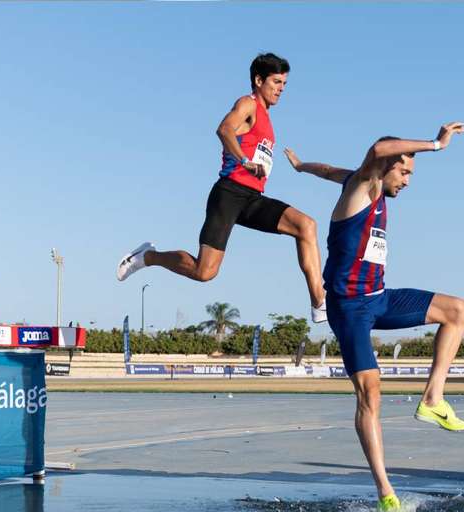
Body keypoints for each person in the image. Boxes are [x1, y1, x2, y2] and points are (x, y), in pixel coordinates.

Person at [285, 122, 464, 512]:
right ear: (384, 167)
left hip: (379, 298)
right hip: (348, 307)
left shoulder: (357, 181)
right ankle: (386, 494)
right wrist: (436, 144)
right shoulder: (363, 187)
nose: (407, 182)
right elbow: (379, 146)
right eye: (403, 172)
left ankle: (433, 400)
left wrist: (302, 167)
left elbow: (329, 170)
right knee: (371, 393)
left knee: (458, 310)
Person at [116, 53, 327, 323]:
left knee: (306, 225)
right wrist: (244, 161)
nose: (280, 89)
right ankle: (148, 256)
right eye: (276, 82)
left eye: (284, 84)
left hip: (252, 198)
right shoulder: (247, 104)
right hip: (228, 194)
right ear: (258, 80)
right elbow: (224, 129)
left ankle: (319, 302)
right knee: (205, 272)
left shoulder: (267, 117)